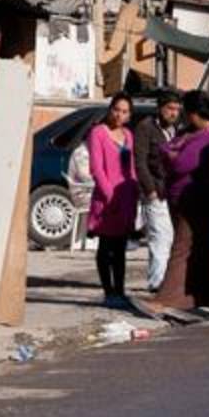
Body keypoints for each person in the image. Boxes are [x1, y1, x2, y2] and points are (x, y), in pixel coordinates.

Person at [152, 90, 209, 312]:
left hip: (199, 199)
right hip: (181, 197)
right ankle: (206, 296)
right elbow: (164, 152)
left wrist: (171, 155)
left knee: (184, 246)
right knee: (201, 248)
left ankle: (167, 298)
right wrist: (171, 155)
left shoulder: (208, 135)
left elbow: (181, 164)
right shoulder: (188, 132)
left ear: (194, 113)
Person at [86, 92, 140, 305]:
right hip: (107, 197)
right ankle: (108, 292)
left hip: (126, 196)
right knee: (106, 246)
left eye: (125, 112)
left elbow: (132, 168)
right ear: (110, 109)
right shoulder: (98, 133)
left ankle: (120, 290)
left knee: (120, 248)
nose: (119, 115)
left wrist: (134, 191)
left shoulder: (128, 135)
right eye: (116, 109)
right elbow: (97, 168)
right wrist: (110, 195)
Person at [132, 89, 181, 291]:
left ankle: (166, 280)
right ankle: (157, 282)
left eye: (177, 109)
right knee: (159, 237)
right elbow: (140, 161)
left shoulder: (175, 130)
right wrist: (150, 189)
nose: (174, 113)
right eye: (170, 108)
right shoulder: (146, 128)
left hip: (173, 192)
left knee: (169, 237)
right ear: (160, 108)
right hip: (155, 191)